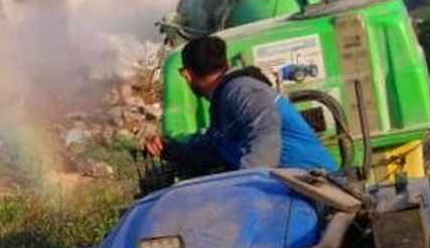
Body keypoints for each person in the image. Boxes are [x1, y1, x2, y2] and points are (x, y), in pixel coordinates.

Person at [143, 35, 338, 174]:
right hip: (292, 189)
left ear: (187, 75)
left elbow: (265, 145)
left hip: (316, 188)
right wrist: (169, 149)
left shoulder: (242, 90)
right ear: (227, 64)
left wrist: (241, 193)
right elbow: (210, 150)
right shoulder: (225, 104)